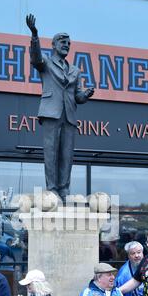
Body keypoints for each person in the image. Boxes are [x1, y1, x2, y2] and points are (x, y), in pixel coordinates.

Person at [26, 14, 94, 202]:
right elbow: (36, 58)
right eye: (63, 42)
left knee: (66, 155)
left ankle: (64, 188)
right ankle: (52, 189)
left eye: (69, 43)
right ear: (54, 45)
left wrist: (85, 95)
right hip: (51, 112)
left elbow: (77, 96)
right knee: (51, 152)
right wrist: (34, 35)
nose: (66, 45)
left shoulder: (75, 70)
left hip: (69, 116)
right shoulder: (46, 63)